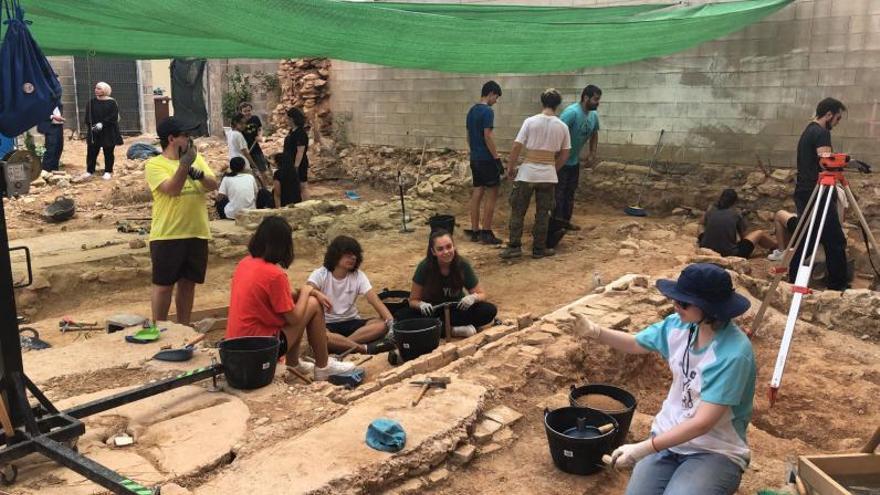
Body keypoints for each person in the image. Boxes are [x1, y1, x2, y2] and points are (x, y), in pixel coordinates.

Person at [571, 263, 755, 495]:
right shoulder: (680, 325)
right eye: (675, 298)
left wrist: (643, 449)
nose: (675, 306)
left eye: (683, 302)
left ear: (709, 308)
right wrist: (596, 332)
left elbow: (703, 423)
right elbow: (636, 343)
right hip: (669, 437)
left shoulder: (733, 354)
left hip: (714, 449)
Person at [226, 216, 355, 381]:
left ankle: (293, 364)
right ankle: (323, 367)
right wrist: (308, 292)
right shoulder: (274, 275)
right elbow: (294, 319)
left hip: (237, 345)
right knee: (313, 305)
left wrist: (307, 292)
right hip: (261, 349)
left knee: (302, 301)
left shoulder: (245, 263)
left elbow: (286, 295)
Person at [146, 117, 219, 326]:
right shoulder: (154, 164)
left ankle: (184, 327)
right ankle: (159, 328)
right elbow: (172, 190)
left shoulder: (196, 159)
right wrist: (184, 166)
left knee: (188, 284)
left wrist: (197, 172)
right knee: (163, 285)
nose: (190, 140)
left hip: (196, 231)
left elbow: (213, 184)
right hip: (169, 234)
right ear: (171, 139)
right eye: (185, 136)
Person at [501, 89, 571, 259]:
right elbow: (565, 153)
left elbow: (517, 146)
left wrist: (510, 167)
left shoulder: (530, 122)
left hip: (527, 173)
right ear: (558, 105)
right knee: (543, 213)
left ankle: (514, 246)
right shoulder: (562, 126)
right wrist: (553, 169)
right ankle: (539, 249)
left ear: (542, 102)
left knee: (518, 210)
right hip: (548, 175)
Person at [789, 97, 848, 291]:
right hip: (817, 191)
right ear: (829, 114)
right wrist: (843, 162)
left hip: (805, 190)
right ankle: (838, 285)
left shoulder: (808, 130)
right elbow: (826, 162)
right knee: (835, 240)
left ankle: (794, 274)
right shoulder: (821, 133)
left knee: (809, 236)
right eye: (837, 118)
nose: (837, 123)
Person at [396, 229, 497, 337]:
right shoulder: (424, 267)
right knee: (403, 316)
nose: (446, 252)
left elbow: (482, 294)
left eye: (449, 246)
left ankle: (442, 329)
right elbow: (413, 300)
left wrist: (473, 298)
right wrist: (421, 304)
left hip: (456, 309)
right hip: (432, 311)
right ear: (433, 252)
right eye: (440, 249)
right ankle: (454, 330)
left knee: (489, 310)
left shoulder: (462, 265)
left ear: (454, 246)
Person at [307, 235, 396, 354]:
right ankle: (363, 349)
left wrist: (391, 323)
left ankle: (341, 345)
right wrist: (317, 294)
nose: (353, 258)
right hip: (328, 324)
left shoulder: (358, 276)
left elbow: (374, 300)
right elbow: (307, 290)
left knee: (381, 325)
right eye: (348, 254)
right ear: (335, 255)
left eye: (355, 255)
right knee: (321, 335)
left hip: (353, 321)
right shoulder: (320, 274)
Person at [554, 84, 601, 231]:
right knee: (559, 194)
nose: (597, 102)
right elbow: (557, 133)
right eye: (595, 99)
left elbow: (594, 133)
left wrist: (592, 152)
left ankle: (565, 222)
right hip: (561, 162)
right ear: (586, 97)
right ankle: (556, 224)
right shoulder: (571, 113)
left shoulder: (593, 116)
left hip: (574, 162)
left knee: (570, 192)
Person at [464, 80, 504, 245]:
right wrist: (496, 158)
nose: (496, 101)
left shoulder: (471, 110)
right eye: (496, 97)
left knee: (477, 191)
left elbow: (467, 136)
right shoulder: (487, 111)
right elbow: (488, 136)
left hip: (475, 157)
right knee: (492, 192)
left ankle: (475, 231)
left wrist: (475, 151)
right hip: (486, 159)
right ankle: (486, 232)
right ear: (491, 93)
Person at [699, 189, 776, 259]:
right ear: (734, 202)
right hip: (730, 254)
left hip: (706, 249)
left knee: (702, 228)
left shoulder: (711, 210)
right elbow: (744, 237)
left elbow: (701, 223)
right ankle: (778, 248)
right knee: (759, 233)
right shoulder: (736, 214)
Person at [83, 82, 123, 180]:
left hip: (108, 131)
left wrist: (103, 124)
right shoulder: (91, 102)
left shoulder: (112, 102)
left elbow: (113, 116)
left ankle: (108, 171)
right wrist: (91, 126)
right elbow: (88, 116)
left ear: (105, 90)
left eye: (99, 88)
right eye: (96, 88)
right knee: (91, 152)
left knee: (108, 152)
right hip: (94, 131)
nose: (96, 90)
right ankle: (89, 170)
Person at [283, 107, 311, 200]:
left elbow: (300, 151)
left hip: (299, 163)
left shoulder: (300, 133)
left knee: (303, 185)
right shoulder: (292, 131)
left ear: (292, 119)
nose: (286, 120)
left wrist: (296, 167)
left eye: (287, 118)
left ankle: (306, 204)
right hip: (289, 162)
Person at [239, 102, 270, 183]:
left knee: (262, 169)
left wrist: (259, 136)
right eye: (245, 111)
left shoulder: (255, 118)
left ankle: (265, 187)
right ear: (241, 112)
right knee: (248, 172)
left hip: (255, 148)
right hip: (245, 150)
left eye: (249, 110)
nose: (247, 113)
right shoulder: (240, 122)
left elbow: (260, 128)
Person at [37, 104, 64, 172]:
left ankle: (54, 170)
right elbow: (38, 112)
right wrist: (52, 116)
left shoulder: (58, 101)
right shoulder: (44, 99)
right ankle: (46, 171)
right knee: (51, 149)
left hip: (59, 125)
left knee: (59, 148)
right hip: (50, 126)